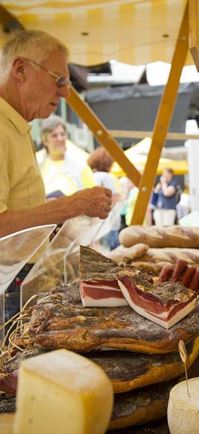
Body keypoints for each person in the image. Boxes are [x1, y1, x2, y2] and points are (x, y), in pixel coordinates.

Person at [0, 29, 112, 319]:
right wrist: (72, 206)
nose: (65, 92)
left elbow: (15, 211)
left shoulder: (15, 124)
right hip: (7, 286)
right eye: (59, 79)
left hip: (17, 280)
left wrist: (54, 215)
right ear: (20, 69)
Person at [38, 115, 95, 196]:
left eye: (63, 134)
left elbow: (92, 193)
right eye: (54, 136)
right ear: (45, 141)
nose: (60, 139)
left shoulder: (80, 162)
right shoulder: (37, 164)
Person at [87, 147, 121, 249]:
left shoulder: (91, 175)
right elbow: (113, 197)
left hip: (95, 220)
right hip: (108, 221)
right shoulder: (106, 177)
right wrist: (121, 195)